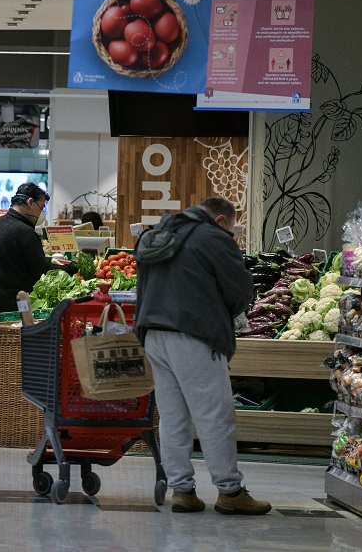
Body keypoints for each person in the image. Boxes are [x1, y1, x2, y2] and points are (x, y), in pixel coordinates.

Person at [134, 196, 271, 515]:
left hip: (154, 333)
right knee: (215, 414)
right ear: (221, 220)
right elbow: (239, 288)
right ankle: (230, 491)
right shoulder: (213, 237)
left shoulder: (157, 232)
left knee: (172, 416)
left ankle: (181, 490)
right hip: (193, 333)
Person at [0, 182, 76, 431]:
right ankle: (4, 415)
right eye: (42, 205)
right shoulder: (25, 232)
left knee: (0, 359)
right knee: (9, 362)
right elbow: (39, 272)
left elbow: (22, 259)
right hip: (10, 306)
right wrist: (67, 269)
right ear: (30, 203)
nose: (42, 211)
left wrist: (48, 259)